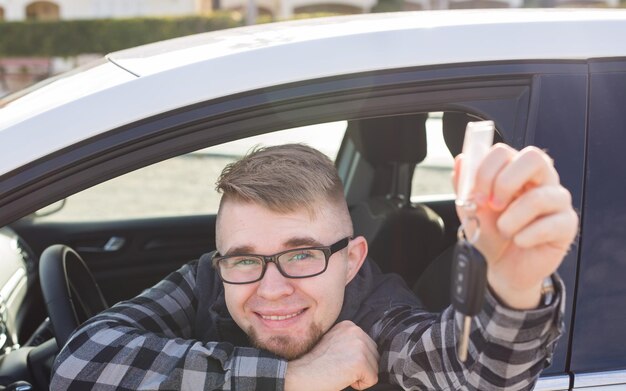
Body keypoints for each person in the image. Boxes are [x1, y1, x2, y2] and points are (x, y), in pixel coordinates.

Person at [50, 142, 577, 390]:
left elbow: (472, 373)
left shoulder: (377, 309)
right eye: (246, 258)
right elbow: (78, 362)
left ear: (351, 260)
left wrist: (514, 284)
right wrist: (291, 377)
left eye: (302, 254)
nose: (271, 288)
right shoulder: (212, 277)